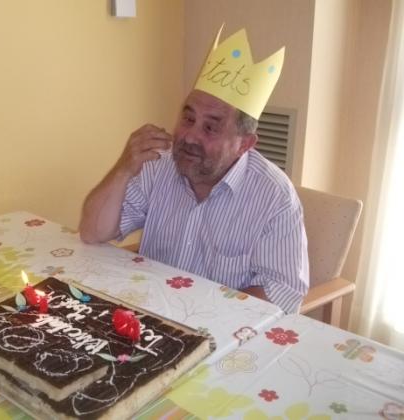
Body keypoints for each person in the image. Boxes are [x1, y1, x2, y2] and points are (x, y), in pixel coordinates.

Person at [79, 28, 309, 313]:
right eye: (188, 119)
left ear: (244, 144)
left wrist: (200, 315)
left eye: (210, 127)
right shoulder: (159, 163)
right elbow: (92, 232)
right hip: (151, 313)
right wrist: (123, 169)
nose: (189, 136)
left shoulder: (275, 195)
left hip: (222, 326)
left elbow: (282, 291)